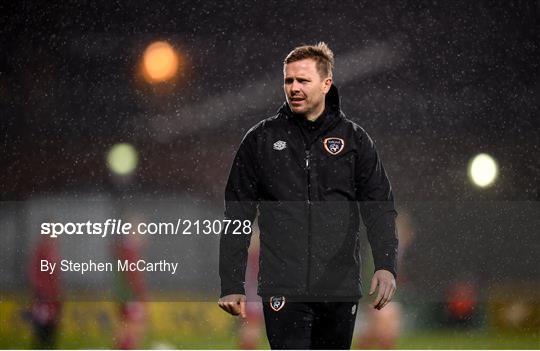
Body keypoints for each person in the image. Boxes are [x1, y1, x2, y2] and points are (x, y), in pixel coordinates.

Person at [218, 42, 398, 349]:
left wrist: (385, 264)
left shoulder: (355, 140)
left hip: (339, 289)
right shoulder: (260, 140)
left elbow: (379, 208)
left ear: (326, 84)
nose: (294, 88)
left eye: (303, 80)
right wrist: (232, 283)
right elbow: (237, 216)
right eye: (288, 80)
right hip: (282, 287)